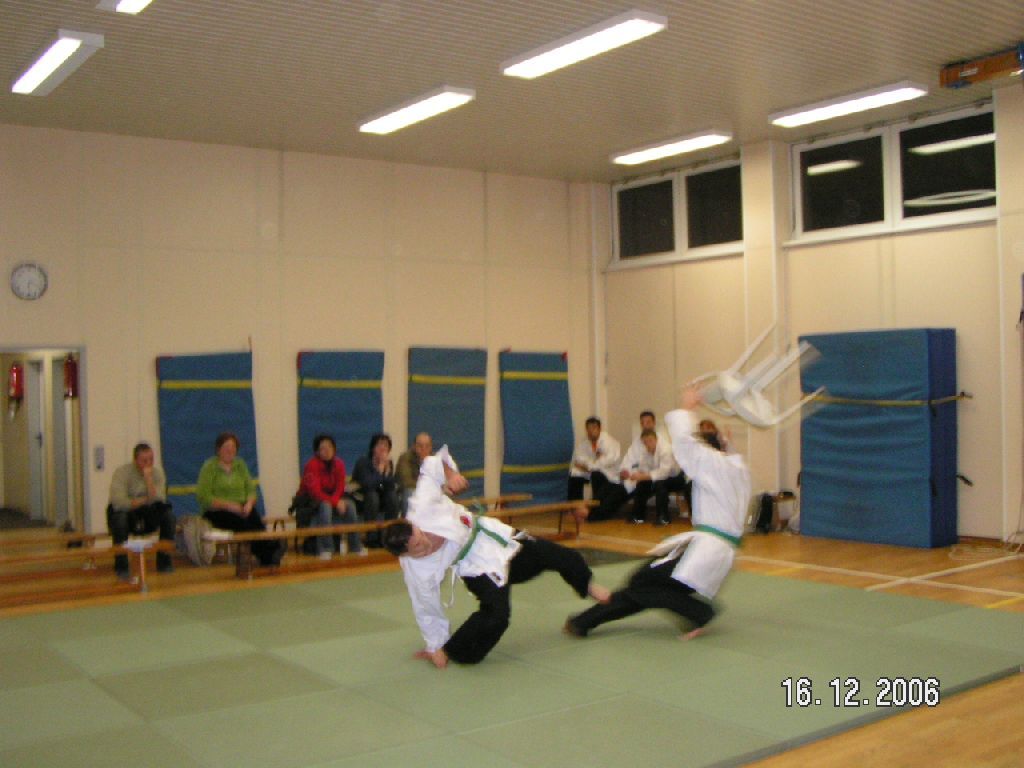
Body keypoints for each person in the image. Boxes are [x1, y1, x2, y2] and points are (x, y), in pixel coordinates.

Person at [384, 446, 611, 668]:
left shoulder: (421, 506)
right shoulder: (416, 570)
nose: (425, 543)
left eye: (421, 535)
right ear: (405, 554)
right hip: (475, 567)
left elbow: (432, 464)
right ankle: (452, 650)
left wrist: (451, 475)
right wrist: (435, 645)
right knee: (497, 616)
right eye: (418, 548)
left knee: (559, 555)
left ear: (414, 525)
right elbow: (426, 607)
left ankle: (587, 585)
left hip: (497, 538)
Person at [565, 384, 750, 640]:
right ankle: (583, 622)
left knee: (642, 582)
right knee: (647, 587)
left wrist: (687, 407)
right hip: (716, 554)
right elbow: (713, 452)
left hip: (706, 551)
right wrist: (726, 445)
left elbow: (686, 443)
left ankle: (699, 612)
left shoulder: (711, 463)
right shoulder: (737, 468)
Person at [196, 431, 284, 567]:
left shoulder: (240, 465)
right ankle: (269, 553)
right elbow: (204, 497)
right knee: (242, 525)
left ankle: (269, 553)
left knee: (255, 520)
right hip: (217, 511)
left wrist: (249, 503)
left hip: (241, 507)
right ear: (218, 449)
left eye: (233, 447)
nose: (230, 450)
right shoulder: (209, 467)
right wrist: (230, 506)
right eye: (226, 447)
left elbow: (251, 490)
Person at [107, 442, 176, 578]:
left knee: (169, 517)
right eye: (144, 460)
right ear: (135, 460)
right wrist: (145, 500)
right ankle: (121, 566)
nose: (148, 463)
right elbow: (119, 502)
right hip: (127, 513)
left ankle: (164, 562)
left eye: (151, 459)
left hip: (147, 512)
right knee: (119, 519)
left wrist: (149, 480)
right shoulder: (122, 473)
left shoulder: (157, 474)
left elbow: (159, 498)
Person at [297, 434, 366, 558]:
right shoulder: (311, 465)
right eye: (323, 448)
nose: (327, 450)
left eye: (329, 446)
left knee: (350, 505)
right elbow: (315, 493)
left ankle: (355, 546)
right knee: (326, 506)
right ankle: (326, 548)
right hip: (311, 501)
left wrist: (337, 500)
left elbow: (340, 487)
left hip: (332, 497)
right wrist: (335, 502)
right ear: (317, 452)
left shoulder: (339, 463)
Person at [619, 428, 689, 526]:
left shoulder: (666, 449)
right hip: (659, 477)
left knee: (660, 484)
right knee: (642, 484)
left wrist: (643, 476)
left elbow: (664, 472)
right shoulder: (646, 451)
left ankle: (663, 518)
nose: (648, 444)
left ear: (656, 439)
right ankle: (638, 516)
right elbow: (643, 469)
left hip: (676, 478)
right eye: (645, 442)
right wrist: (633, 475)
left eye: (650, 441)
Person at [567, 416, 625, 521]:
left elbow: (608, 461)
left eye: (593, 428)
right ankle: (576, 508)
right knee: (574, 475)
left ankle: (593, 508)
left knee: (596, 474)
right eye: (588, 428)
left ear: (599, 428)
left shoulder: (609, 442)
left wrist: (589, 466)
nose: (590, 431)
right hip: (591, 470)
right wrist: (589, 466)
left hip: (610, 475)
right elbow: (578, 459)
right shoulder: (585, 443)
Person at [353, 432, 400, 546]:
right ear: (373, 447)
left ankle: (390, 535)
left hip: (380, 497)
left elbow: (390, 486)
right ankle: (371, 538)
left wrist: (387, 472)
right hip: (362, 497)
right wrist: (380, 470)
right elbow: (368, 485)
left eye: (386, 445)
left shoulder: (388, 462)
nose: (383, 448)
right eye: (379, 444)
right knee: (372, 496)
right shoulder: (363, 462)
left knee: (392, 496)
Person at [396, 431, 432, 511]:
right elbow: (407, 482)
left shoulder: (435, 459)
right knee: (411, 494)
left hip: (429, 490)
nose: (423, 449)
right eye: (420, 446)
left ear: (431, 447)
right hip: (409, 489)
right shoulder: (405, 458)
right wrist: (426, 487)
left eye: (427, 446)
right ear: (414, 446)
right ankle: (410, 519)